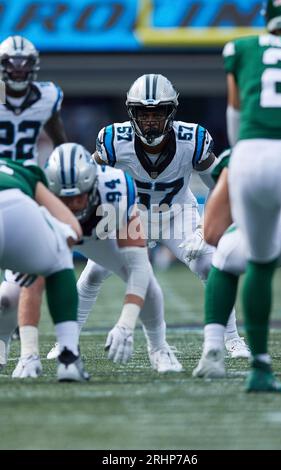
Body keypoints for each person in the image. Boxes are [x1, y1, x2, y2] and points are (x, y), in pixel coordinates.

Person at [90, 73, 249, 358]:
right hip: (132, 215)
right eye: (143, 113)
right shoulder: (115, 139)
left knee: (210, 266)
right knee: (93, 272)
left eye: (157, 113)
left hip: (177, 213)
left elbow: (220, 187)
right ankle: (64, 343)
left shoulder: (193, 139)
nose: (150, 121)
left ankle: (232, 339)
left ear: (171, 112)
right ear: (131, 113)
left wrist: (206, 227)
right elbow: (89, 178)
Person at [14, 143, 182, 375]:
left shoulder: (116, 190)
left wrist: (126, 324)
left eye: (79, 197)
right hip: (57, 233)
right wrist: (29, 352)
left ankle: (159, 348)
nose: (72, 205)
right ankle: (25, 354)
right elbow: (33, 283)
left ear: (93, 185)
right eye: (65, 198)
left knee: (149, 283)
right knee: (10, 294)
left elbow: (138, 266)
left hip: (102, 234)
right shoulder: (35, 196)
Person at [221, 0, 281, 392]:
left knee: (259, 262)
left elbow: (235, 112)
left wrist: (240, 157)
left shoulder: (242, 47)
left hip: (251, 153)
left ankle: (260, 367)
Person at [193, 149, 281, 379]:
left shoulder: (242, 154)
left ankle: (217, 351)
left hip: (268, 238)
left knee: (224, 256)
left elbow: (212, 232)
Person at [0, 35, 67, 371]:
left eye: (23, 63)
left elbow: (59, 140)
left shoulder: (47, 96)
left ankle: (15, 346)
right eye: (11, 63)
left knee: (20, 283)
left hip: (26, 186)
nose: (17, 70)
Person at [0, 157, 89, 381]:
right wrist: (35, 262)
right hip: (14, 206)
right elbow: (73, 230)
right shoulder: (19, 168)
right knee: (59, 259)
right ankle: (68, 356)